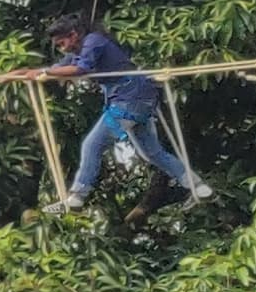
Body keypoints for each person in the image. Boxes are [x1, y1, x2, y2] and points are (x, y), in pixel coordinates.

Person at [18, 13, 209, 213]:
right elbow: (56, 68)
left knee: (92, 145)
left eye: (62, 43)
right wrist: (22, 73)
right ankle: (199, 187)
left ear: (74, 35)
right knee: (152, 153)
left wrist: (45, 73)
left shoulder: (93, 41)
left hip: (128, 100)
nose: (62, 48)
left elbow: (80, 70)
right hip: (137, 101)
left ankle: (77, 197)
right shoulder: (77, 52)